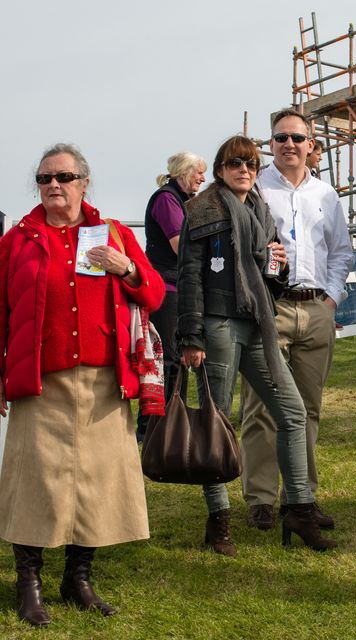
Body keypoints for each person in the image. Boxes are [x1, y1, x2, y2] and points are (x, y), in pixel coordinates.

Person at [0, 143, 165, 626]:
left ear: (84, 183)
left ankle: (78, 578)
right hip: (39, 382)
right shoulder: (17, 242)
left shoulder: (110, 234)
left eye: (65, 177)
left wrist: (127, 268)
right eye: (46, 177)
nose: (54, 184)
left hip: (101, 382)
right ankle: (27, 582)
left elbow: (154, 291)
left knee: (94, 485)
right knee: (34, 483)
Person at [176, 135, 336, 556]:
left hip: (259, 322)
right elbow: (189, 276)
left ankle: (299, 508)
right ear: (219, 170)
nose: (243, 170)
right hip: (219, 323)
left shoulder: (260, 211)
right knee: (217, 421)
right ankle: (219, 518)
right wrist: (191, 336)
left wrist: (277, 268)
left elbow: (268, 277)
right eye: (233, 164)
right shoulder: (202, 209)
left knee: (293, 412)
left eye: (249, 163)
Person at [240, 108, 352, 533]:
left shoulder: (325, 195)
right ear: (270, 145)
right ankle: (261, 499)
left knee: (308, 408)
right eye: (281, 138)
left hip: (316, 309)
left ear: (311, 145)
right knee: (261, 408)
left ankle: (300, 497)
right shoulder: (256, 190)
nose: (289, 144)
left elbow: (341, 250)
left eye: (297, 138)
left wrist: (332, 298)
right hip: (271, 309)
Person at [138, 151, 206, 439]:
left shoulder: (184, 200)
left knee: (177, 359)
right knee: (167, 359)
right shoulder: (166, 199)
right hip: (166, 288)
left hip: (179, 286)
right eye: (198, 172)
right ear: (183, 172)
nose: (203, 178)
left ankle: (173, 421)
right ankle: (153, 427)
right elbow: (182, 246)